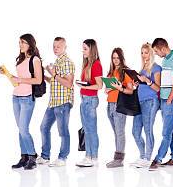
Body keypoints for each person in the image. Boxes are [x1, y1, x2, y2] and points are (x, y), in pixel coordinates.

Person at [6, 33, 43, 170]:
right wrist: (9, 75)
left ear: (30, 44)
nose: (20, 45)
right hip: (16, 97)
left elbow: (38, 80)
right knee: (20, 130)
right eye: (19, 42)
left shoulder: (35, 60)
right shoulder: (21, 59)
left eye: (23, 42)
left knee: (23, 129)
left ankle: (32, 156)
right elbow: (20, 78)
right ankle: (24, 156)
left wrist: (20, 80)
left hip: (27, 98)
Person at [38, 37, 75, 167]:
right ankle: (45, 156)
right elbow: (56, 81)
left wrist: (53, 74)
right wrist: (45, 77)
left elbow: (69, 83)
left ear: (65, 47)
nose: (55, 49)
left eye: (58, 46)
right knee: (44, 127)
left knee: (63, 131)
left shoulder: (67, 62)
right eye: (54, 46)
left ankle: (62, 158)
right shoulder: (57, 62)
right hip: (53, 102)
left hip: (63, 102)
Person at [149, 38, 173, 170]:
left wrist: (169, 100)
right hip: (164, 100)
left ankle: (158, 158)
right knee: (170, 130)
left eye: (156, 51)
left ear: (163, 48)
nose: (156, 54)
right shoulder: (165, 60)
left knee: (165, 133)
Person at [131, 43, 161, 168]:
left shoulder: (156, 68)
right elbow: (141, 84)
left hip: (150, 101)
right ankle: (142, 156)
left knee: (148, 130)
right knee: (135, 131)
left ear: (151, 53)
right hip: (140, 101)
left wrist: (147, 81)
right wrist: (137, 83)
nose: (144, 55)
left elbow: (158, 88)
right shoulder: (142, 69)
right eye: (142, 52)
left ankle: (148, 158)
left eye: (146, 52)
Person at [104, 48, 135, 168]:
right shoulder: (111, 72)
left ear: (121, 58)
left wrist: (120, 88)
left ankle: (119, 159)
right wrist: (108, 89)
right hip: (110, 105)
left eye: (117, 58)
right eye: (113, 58)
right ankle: (117, 158)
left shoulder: (125, 72)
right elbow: (109, 89)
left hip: (119, 105)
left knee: (120, 132)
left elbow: (130, 91)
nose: (115, 60)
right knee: (116, 132)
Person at [75, 39, 103, 167]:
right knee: (86, 129)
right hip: (84, 99)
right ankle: (88, 156)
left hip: (90, 100)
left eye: (85, 48)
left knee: (91, 130)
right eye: (82, 48)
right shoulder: (87, 65)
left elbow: (99, 86)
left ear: (91, 50)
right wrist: (82, 85)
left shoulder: (96, 64)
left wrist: (84, 87)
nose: (83, 51)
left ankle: (94, 157)